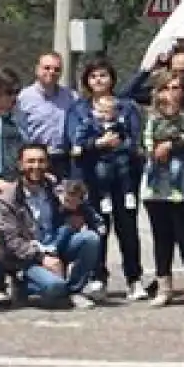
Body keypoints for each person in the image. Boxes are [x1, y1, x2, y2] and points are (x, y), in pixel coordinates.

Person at [0, 144, 107, 309]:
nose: (36, 166)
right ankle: (25, 286)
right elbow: (12, 242)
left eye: (41, 161)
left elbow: (79, 202)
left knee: (90, 239)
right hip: (27, 258)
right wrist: (42, 258)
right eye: (30, 161)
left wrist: (75, 217)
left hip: (56, 246)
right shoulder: (6, 201)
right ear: (20, 165)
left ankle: (74, 290)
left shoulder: (56, 188)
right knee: (55, 287)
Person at [66, 56, 143, 301]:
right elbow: (73, 142)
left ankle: (134, 278)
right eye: (94, 76)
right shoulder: (78, 108)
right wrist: (97, 144)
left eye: (103, 75)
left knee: (127, 229)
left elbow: (136, 139)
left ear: (112, 79)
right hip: (92, 179)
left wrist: (121, 145)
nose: (99, 80)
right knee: (99, 227)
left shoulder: (127, 107)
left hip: (123, 178)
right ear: (87, 81)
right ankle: (98, 277)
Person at [140, 73, 184, 309]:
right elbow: (141, 144)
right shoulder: (150, 116)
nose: (171, 92)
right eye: (165, 87)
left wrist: (171, 145)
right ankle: (163, 287)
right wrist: (152, 149)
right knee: (162, 238)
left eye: (177, 87)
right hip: (157, 186)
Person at [14, 52, 77, 179]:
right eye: (47, 68)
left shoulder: (72, 97)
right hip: (36, 161)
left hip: (64, 159)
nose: (52, 72)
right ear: (37, 69)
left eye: (57, 69)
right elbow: (20, 130)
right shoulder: (23, 98)